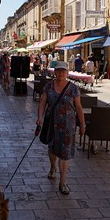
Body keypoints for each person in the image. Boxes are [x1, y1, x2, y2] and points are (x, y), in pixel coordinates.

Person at [36, 61, 85, 195]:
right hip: (52, 123)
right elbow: (42, 103)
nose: (61, 73)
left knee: (65, 152)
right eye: (58, 71)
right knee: (52, 148)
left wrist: (83, 125)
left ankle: (63, 183)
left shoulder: (73, 88)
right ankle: (53, 167)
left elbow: (79, 108)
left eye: (63, 71)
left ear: (67, 73)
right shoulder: (49, 86)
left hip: (68, 125)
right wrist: (39, 117)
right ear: (55, 72)